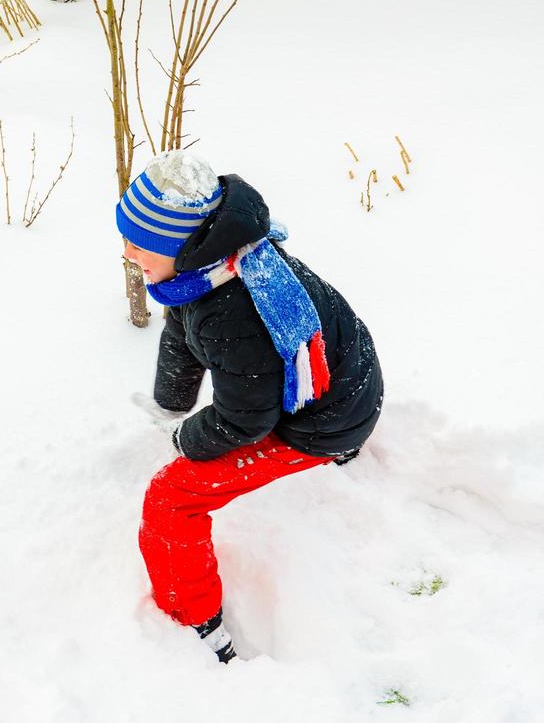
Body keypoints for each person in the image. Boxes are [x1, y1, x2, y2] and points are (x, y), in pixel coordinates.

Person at [118, 151, 383, 662]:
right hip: (346, 389)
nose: (128, 252)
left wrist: (185, 439)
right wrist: (170, 405)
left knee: (172, 500)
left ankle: (192, 621)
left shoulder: (232, 307)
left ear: (178, 244)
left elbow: (246, 419)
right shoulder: (220, 263)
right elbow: (182, 324)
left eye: (140, 242)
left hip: (325, 423)